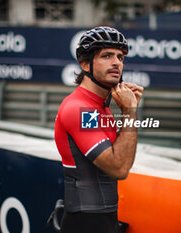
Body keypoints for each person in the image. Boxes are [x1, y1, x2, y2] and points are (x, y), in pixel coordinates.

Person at [54, 26, 144, 233]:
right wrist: (129, 112)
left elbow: (119, 156)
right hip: (85, 223)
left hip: (103, 221)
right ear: (85, 64)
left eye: (120, 57)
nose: (116, 63)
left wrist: (126, 111)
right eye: (107, 56)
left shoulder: (100, 107)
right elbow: (119, 169)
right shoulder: (79, 108)